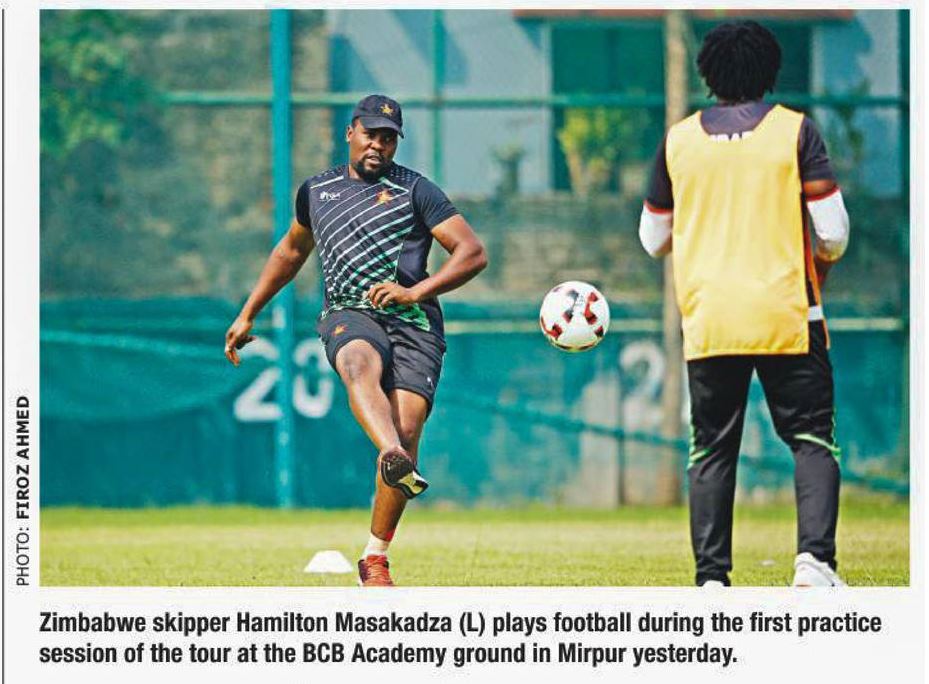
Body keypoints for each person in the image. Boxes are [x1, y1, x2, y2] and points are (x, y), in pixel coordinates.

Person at [224, 94, 487, 587]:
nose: (378, 145)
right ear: (350, 133)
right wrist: (248, 312)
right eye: (370, 134)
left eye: (388, 138)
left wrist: (415, 291)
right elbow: (290, 251)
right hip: (349, 312)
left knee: (408, 427)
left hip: (414, 322)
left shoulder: (417, 191)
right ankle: (392, 455)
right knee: (357, 364)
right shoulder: (317, 191)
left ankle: (375, 556)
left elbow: (472, 252)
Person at [638, 21, 850, 587]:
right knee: (810, 438)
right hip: (787, 313)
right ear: (770, 70)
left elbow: (653, 239)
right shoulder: (795, 131)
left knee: (711, 449)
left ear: (707, 73)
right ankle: (814, 564)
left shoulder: (679, 140)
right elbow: (833, 233)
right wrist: (816, 265)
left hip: (711, 318)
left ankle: (712, 580)